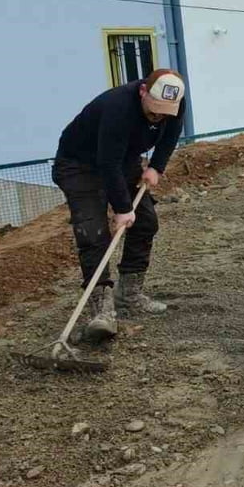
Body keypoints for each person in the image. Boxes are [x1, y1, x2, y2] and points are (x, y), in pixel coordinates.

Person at [52, 69, 187, 341]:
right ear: (143, 91)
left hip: (123, 159)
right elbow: (107, 163)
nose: (159, 117)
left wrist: (156, 167)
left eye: (165, 112)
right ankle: (101, 311)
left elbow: (170, 135)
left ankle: (129, 295)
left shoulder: (175, 102)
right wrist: (123, 209)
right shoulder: (118, 107)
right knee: (93, 233)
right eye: (155, 110)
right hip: (79, 164)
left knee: (145, 222)